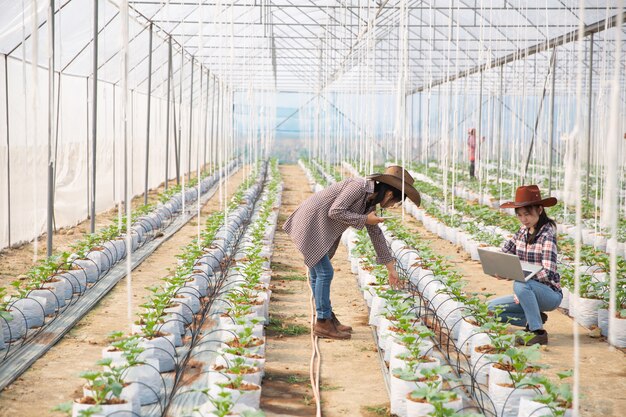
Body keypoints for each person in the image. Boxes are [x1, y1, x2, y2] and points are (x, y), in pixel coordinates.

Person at [284, 165, 421, 340]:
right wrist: (365, 219)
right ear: (389, 194)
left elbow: (376, 233)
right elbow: (335, 211)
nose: (393, 205)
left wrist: (390, 268)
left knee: (319, 274)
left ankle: (327, 317)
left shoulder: (369, 201)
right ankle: (323, 321)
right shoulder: (358, 186)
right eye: (396, 202)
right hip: (310, 224)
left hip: (318, 226)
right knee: (325, 273)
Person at [488, 185, 563, 345]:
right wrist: (500, 267)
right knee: (490, 309)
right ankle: (533, 317)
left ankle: (537, 332)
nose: (524, 219)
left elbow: (548, 272)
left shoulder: (547, 235)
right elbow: (505, 251)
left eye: (527, 214)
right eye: (520, 215)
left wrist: (520, 275)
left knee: (521, 283)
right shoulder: (522, 232)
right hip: (525, 292)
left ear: (540, 210)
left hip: (548, 294)